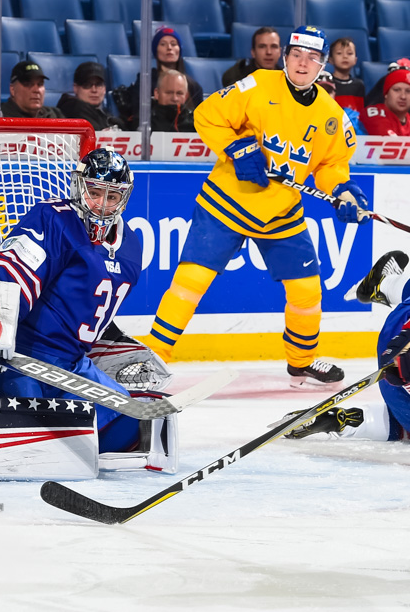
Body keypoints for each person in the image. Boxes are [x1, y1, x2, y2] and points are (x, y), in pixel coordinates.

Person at [141, 26, 366, 387]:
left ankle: (301, 361)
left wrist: (343, 190)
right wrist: (238, 148)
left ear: (322, 64)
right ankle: (153, 356)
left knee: (307, 290)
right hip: (225, 202)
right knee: (191, 281)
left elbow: (331, 166)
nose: (303, 63)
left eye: (312, 57)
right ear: (286, 56)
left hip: (281, 212)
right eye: (296, 55)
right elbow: (207, 114)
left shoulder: (332, 116)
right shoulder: (258, 84)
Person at [0, 149, 168, 457]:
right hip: (18, 358)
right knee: (32, 439)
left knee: (133, 422)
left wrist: (116, 347)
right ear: (79, 187)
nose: (101, 204)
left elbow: (93, 313)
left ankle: (68, 442)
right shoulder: (55, 219)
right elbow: (11, 267)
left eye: (112, 196)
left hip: (72, 365)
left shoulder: (131, 246)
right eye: (94, 192)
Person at [286, 251, 410, 442]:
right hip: (401, 347)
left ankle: (349, 421)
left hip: (399, 339)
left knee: (403, 412)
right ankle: (351, 422)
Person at [124, 69, 195, 133]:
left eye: (179, 93)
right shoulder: (143, 122)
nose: (174, 98)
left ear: (186, 96)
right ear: (157, 93)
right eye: (169, 92)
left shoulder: (196, 122)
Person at [56, 61, 121, 130]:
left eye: (98, 85)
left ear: (104, 89)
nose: (94, 90)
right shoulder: (73, 107)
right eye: (87, 85)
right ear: (75, 88)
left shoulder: (102, 113)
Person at [363, 68, 410, 137]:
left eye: (408, 91)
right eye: (397, 90)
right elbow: (391, 144)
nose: (403, 96)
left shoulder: (408, 119)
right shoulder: (373, 113)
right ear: (386, 94)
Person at [328, 37, 365, 118]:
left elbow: (360, 112)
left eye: (349, 53)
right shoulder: (327, 83)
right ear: (330, 60)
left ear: (355, 60)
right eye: (339, 53)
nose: (345, 56)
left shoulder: (359, 85)